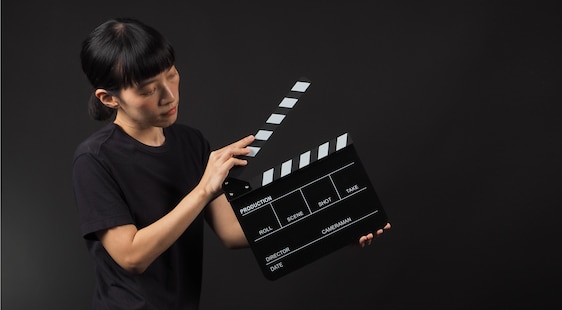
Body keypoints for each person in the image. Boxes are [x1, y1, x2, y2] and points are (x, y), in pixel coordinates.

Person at [73, 17, 391, 310]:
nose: (169, 96)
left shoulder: (190, 143)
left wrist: (332, 227)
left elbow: (232, 230)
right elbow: (132, 256)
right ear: (108, 98)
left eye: (171, 75)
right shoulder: (95, 160)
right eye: (148, 90)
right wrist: (202, 190)